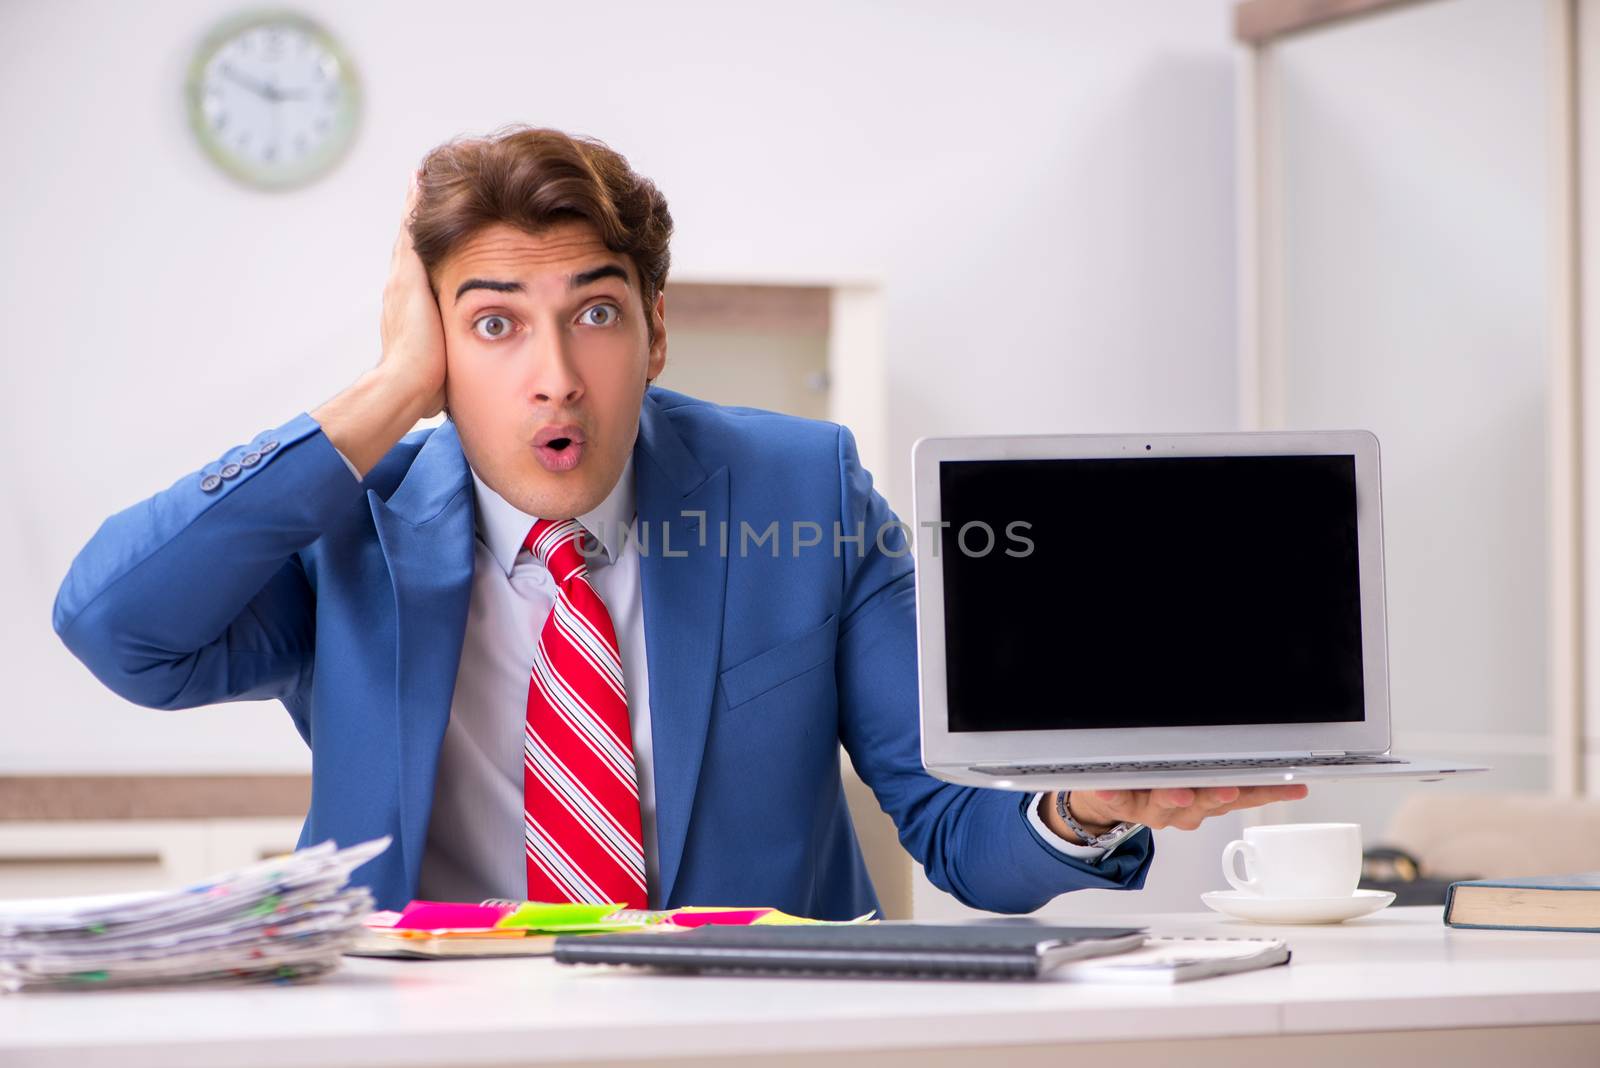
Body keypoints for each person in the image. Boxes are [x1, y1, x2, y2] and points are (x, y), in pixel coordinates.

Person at [52, 126, 1306, 917]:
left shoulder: (799, 490)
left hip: (750, 1038)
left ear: (654, 332)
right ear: (435, 343)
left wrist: (1081, 811)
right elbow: (120, 632)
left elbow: (952, 826)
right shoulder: (346, 522)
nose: (552, 373)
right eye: (492, 323)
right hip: (425, 1034)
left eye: (593, 314)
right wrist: (383, 400)